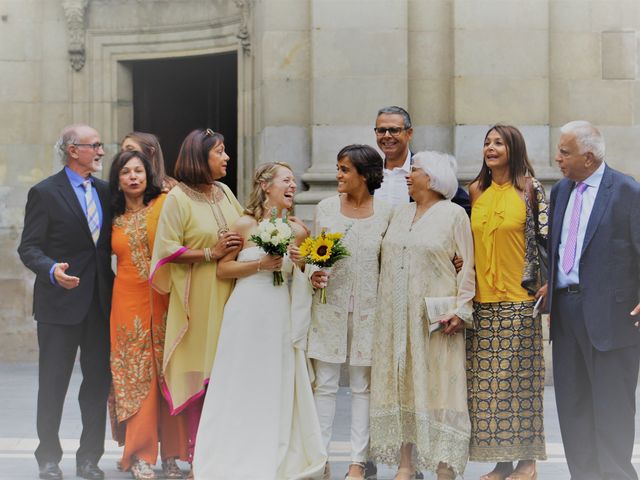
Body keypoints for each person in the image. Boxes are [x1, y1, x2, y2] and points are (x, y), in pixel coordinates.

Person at [193, 162, 327, 479]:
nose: (293, 185)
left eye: (294, 181)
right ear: (266, 186)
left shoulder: (299, 230)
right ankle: (232, 449)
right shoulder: (243, 225)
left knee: (274, 380)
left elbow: (308, 274)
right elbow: (223, 270)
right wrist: (260, 266)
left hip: (279, 312)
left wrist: (306, 267)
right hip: (246, 311)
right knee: (240, 379)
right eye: (286, 180)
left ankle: (274, 447)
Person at [369, 151, 475, 480]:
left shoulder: (455, 214)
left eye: (413, 170)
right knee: (403, 386)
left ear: (432, 178)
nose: (407, 175)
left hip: (437, 321)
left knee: (441, 388)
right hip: (395, 318)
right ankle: (406, 464)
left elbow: (468, 266)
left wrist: (462, 309)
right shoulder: (399, 214)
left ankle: (445, 465)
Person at [18, 124, 113, 480]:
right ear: (73, 150)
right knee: (53, 383)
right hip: (58, 304)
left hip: (100, 304)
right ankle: (48, 457)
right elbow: (28, 247)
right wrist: (51, 269)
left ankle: (89, 458)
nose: (102, 151)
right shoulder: (44, 192)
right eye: (95, 145)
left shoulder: (107, 192)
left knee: (96, 385)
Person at [546, 121, 640, 480]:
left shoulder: (628, 191)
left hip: (614, 318)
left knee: (613, 410)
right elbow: (559, 248)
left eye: (565, 152)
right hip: (567, 314)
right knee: (573, 408)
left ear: (589, 157)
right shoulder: (561, 192)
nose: (557, 158)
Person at [149, 128, 244, 467]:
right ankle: (198, 458)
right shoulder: (179, 198)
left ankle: (225, 454)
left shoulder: (224, 191)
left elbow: (245, 228)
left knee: (227, 376)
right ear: (200, 158)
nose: (226, 158)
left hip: (231, 295)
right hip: (197, 300)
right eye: (220, 152)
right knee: (201, 377)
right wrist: (210, 253)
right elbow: (166, 249)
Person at [466, 125, 547, 480]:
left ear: (514, 148)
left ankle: (527, 463)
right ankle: (501, 463)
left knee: (521, 383)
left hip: (520, 299)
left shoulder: (530, 189)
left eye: (498, 142)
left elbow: (546, 240)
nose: (491, 148)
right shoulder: (476, 190)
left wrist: (545, 284)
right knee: (488, 388)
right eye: (487, 142)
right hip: (482, 302)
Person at [307, 145, 392, 480]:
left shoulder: (387, 213)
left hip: (372, 311)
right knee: (325, 384)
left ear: (365, 175)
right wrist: (313, 272)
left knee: (362, 386)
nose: (338, 175)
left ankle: (358, 462)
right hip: (329, 307)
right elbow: (314, 253)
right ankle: (319, 459)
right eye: (338, 168)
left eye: (344, 169)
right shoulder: (326, 208)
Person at [108, 150, 188, 480]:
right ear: (117, 179)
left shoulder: (164, 204)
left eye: (138, 170)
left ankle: (171, 455)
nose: (133, 177)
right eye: (125, 172)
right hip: (126, 304)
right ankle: (139, 454)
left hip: (164, 299)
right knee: (136, 377)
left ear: (148, 174)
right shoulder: (110, 218)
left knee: (168, 374)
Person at [374, 105, 470, 214]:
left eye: (394, 130)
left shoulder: (427, 170)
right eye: (381, 130)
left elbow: (466, 209)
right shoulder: (368, 173)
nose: (387, 136)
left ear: (409, 133)